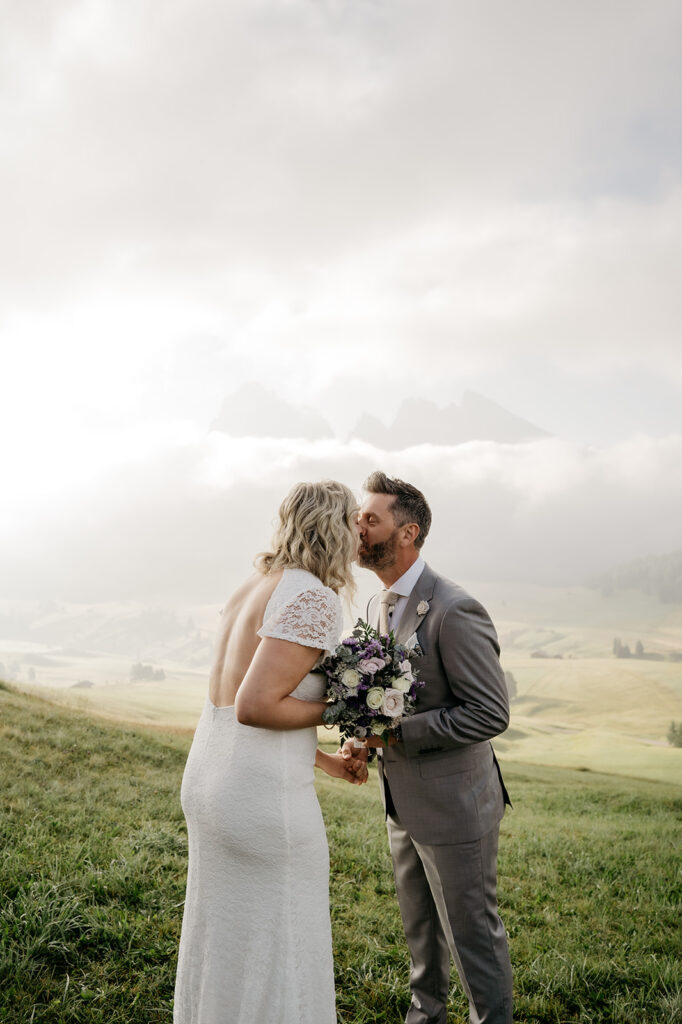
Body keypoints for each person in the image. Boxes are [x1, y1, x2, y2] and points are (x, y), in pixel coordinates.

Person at [173, 480, 368, 1024]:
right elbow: (255, 706)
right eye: (354, 522)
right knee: (285, 934)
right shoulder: (313, 597)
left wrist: (326, 759)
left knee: (227, 937)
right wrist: (339, 708)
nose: (359, 535)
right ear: (334, 527)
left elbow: (248, 704)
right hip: (260, 801)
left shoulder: (255, 585)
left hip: (213, 779)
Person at [344, 471, 513, 1024]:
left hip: (456, 807)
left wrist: (395, 734)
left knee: (473, 938)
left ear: (408, 531)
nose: (358, 527)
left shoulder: (454, 609)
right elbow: (379, 699)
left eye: (371, 518)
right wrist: (365, 739)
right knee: (421, 935)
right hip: (402, 803)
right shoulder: (377, 606)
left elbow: (490, 712)